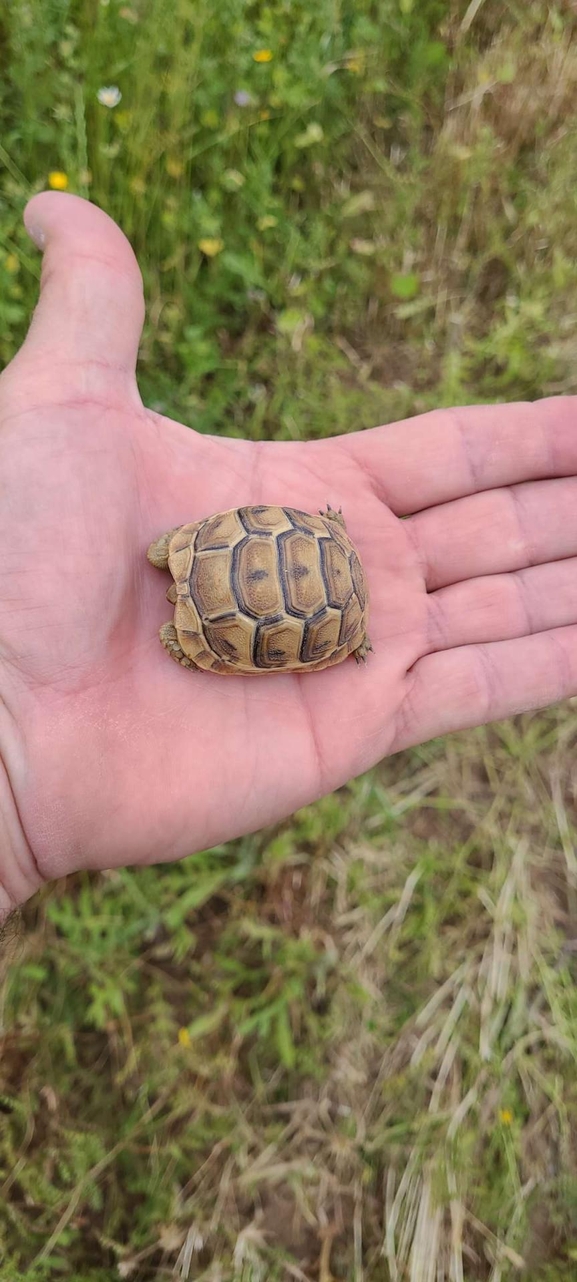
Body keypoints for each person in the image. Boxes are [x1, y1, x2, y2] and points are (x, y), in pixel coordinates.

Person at [1, 192, 576, 916]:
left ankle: (347, 632)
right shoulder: (194, 563)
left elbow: (193, 611)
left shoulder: (192, 593)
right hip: (308, 560)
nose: (169, 571)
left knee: (191, 612)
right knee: (213, 584)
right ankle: (342, 622)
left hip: (314, 595)